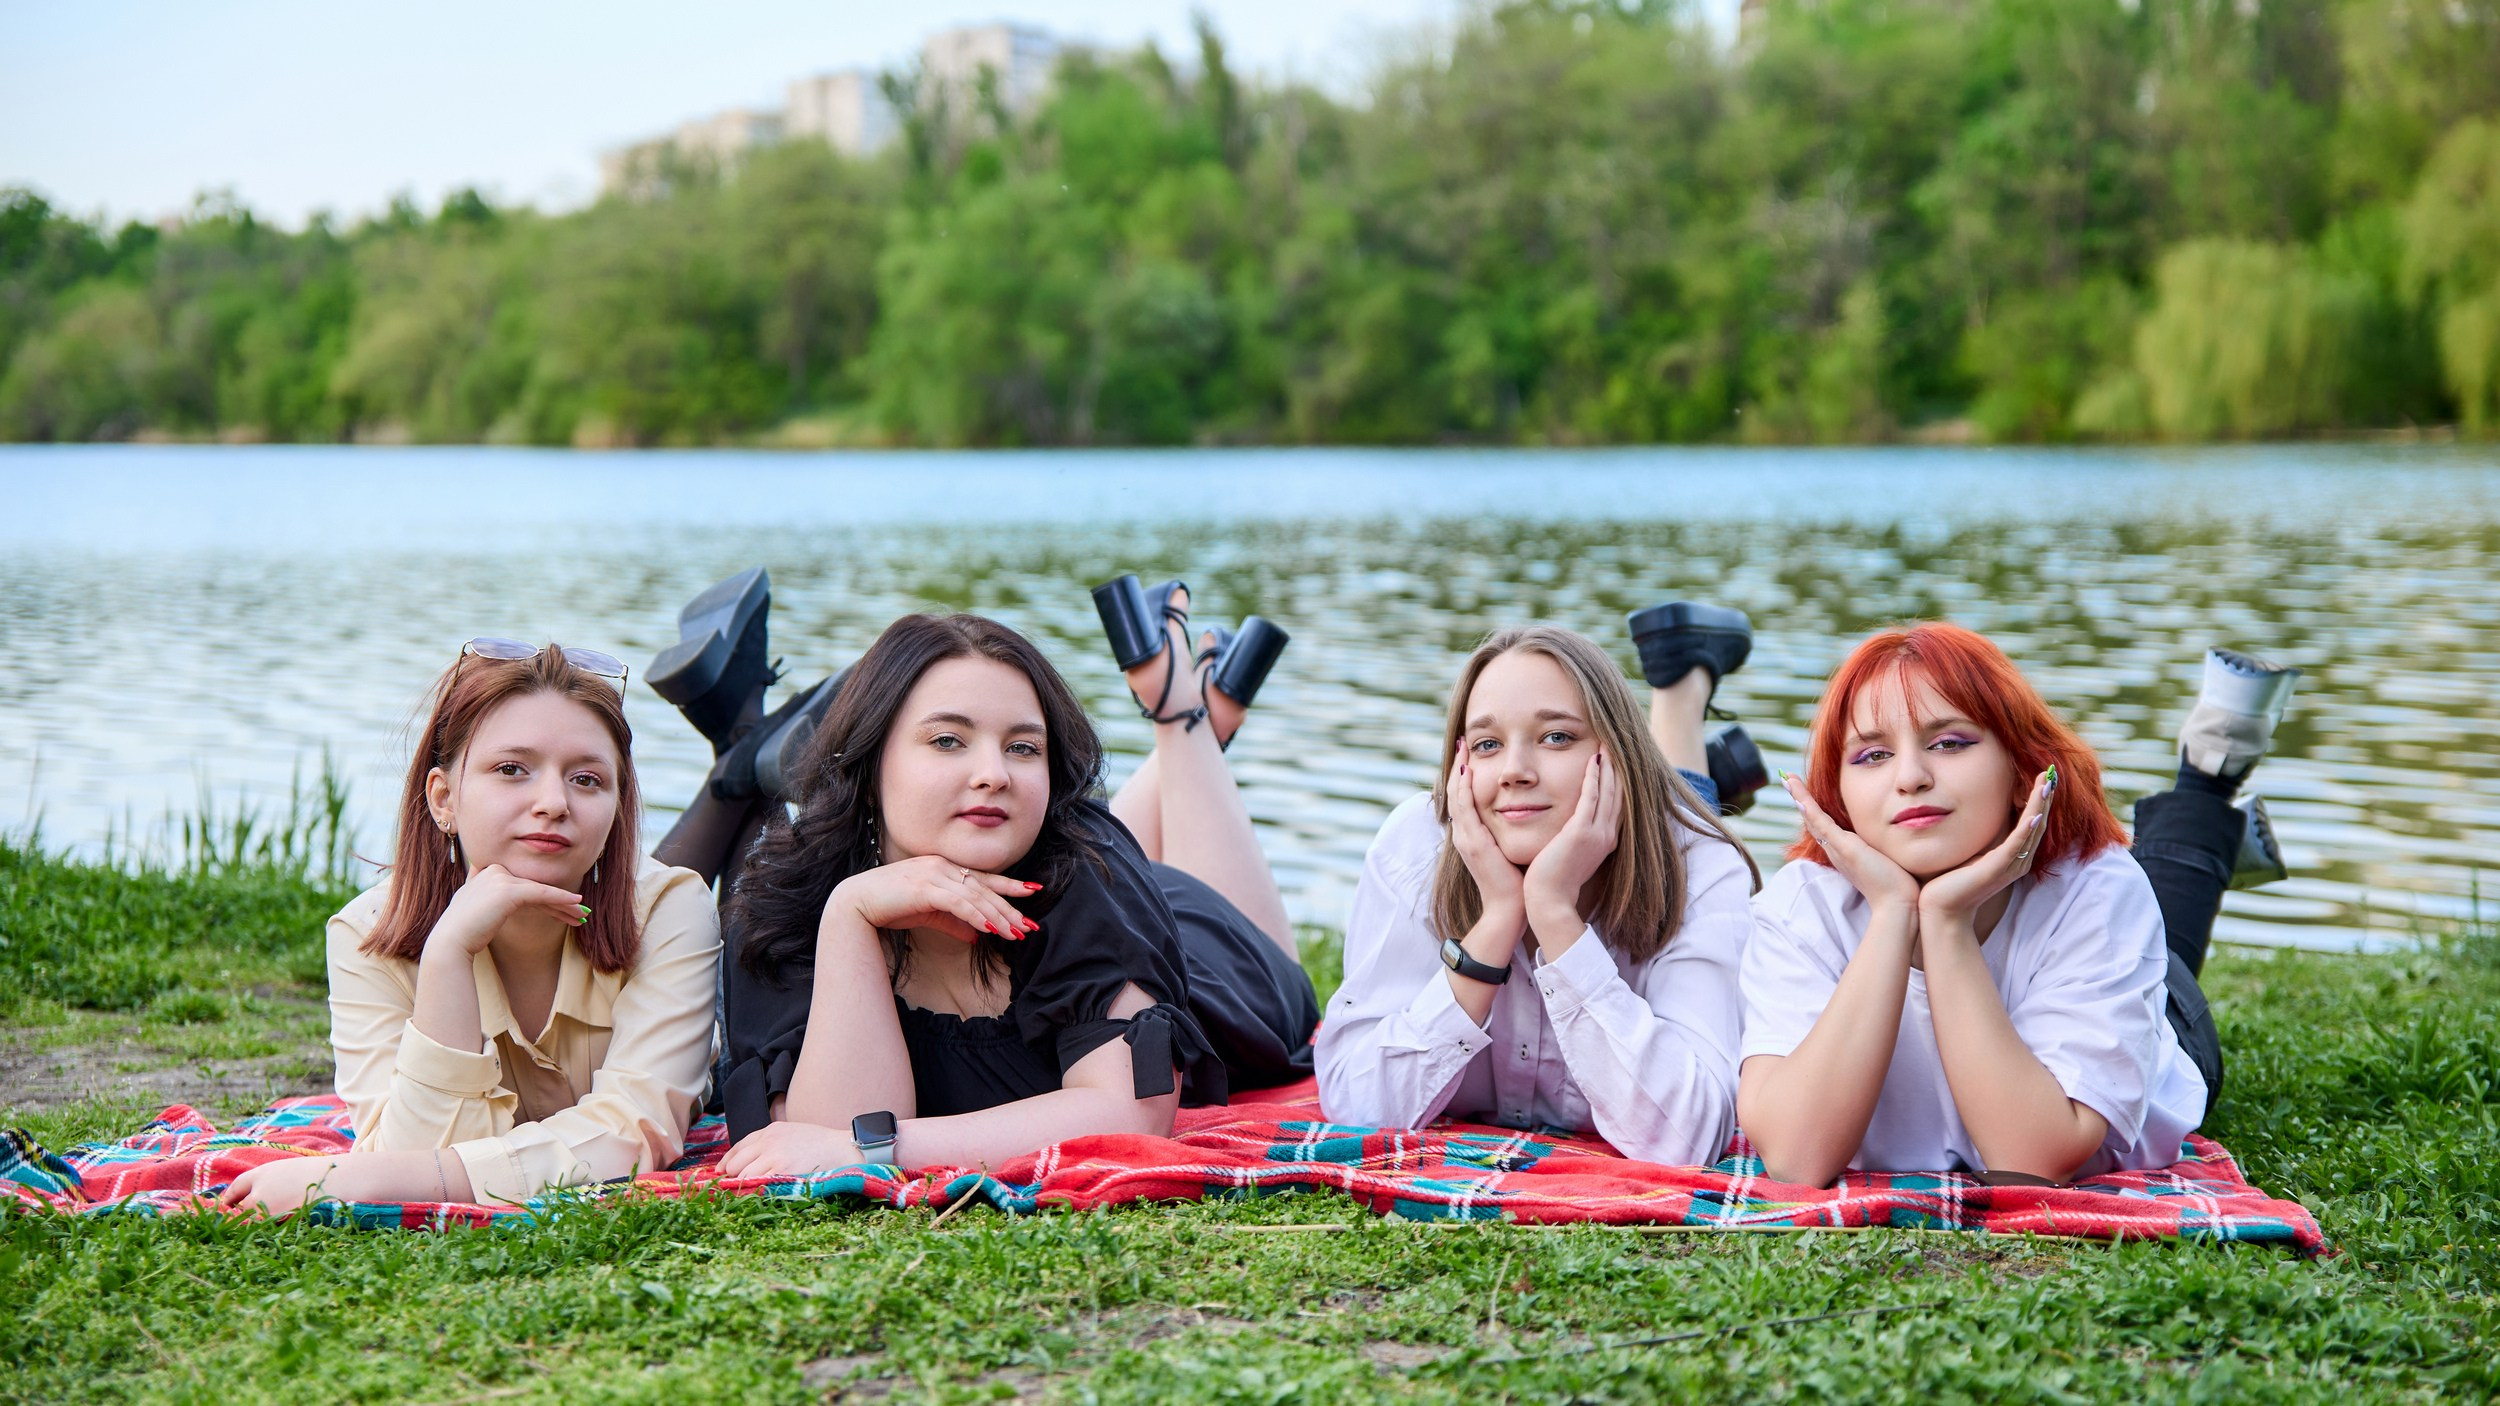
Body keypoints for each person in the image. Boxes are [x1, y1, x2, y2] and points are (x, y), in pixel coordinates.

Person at [650, 574, 1313, 1177]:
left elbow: (1133, 1115)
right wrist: (851, 916)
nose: (994, 770)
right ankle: (1192, 710)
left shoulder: (1089, 871)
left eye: (1024, 747)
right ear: (872, 762)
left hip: (1209, 964)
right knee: (1063, 831)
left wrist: (881, 1149)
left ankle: (1185, 716)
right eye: (947, 741)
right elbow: (821, 1133)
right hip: (1084, 881)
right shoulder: (791, 898)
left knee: (1274, 980)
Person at [1736, 625, 2295, 1187]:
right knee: (2145, 906)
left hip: (2149, 1021)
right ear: (1837, 795)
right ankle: (2210, 815)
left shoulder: (2097, 890)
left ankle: (2207, 774)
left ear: (2019, 769)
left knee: (2157, 924)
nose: (1910, 778)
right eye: (1873, 754)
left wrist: (1947, 922)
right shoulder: (1801, 906)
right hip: (2073, 936)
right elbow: (1795, 1160)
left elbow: (2033, 1162)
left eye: (1950, 742)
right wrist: (1893, 913)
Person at [221, 640, 720, 1213]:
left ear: (616, 807)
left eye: (587, 779)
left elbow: (635, 1130)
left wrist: (382, 1178)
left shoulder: (668, 909)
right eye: (512, 770)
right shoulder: (368, 933)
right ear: (443, 799)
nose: (554, 802)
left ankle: (739, 767)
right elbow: (404, 1155)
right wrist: (448, 954)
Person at [1315, 613, 1761, 1166]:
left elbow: (1688, 1138)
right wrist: (1498, 918)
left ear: (1617, 754)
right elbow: (1354, 1105)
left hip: (1648, 818)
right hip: (1575, 808)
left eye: (1556, 737)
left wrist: (1554, 912)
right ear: (1458, 761)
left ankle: (1680, 694)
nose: (1514, 771)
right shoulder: (1415, 845)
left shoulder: (1702, 862)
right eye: (1486, 745)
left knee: (1684, 799)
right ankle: (1682, 694)